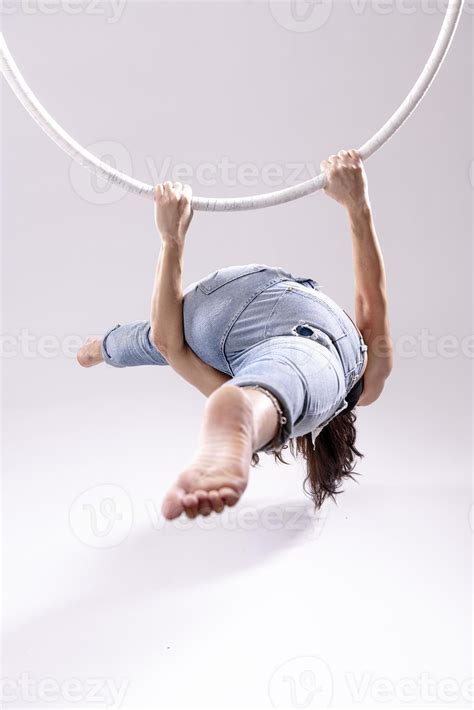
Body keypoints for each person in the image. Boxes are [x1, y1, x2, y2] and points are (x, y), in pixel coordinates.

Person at [77, 149, 393, 520]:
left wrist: (358, 205)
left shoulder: (364, 387)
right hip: (217, 312)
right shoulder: (343, 388)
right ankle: (103, 349)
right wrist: (171, 240)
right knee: (172, 343)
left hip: (259, 304)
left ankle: (243, 413)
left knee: (265, 367)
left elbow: (371, 300)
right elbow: (169, 344)